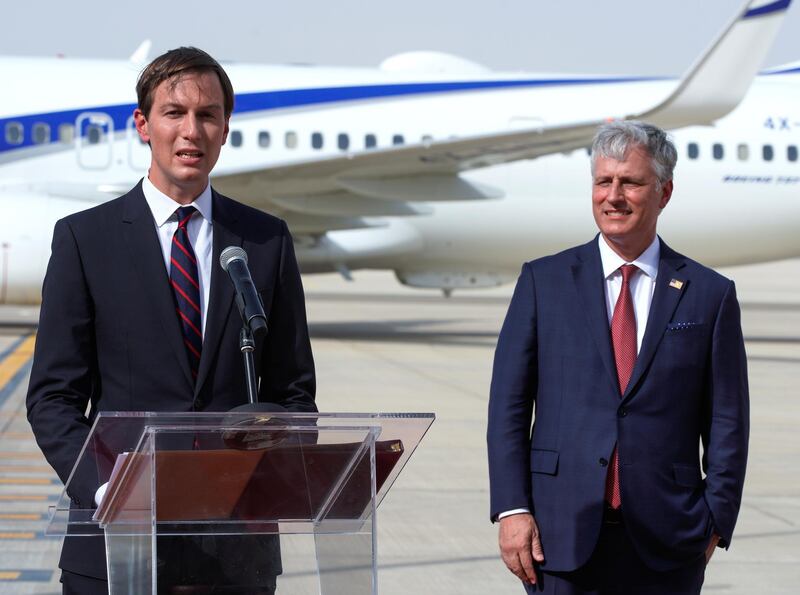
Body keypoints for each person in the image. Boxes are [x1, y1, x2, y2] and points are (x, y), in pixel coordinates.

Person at [26, 47, 316, 594]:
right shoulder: (85, 240)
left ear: (226, 128)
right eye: (174, 113)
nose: (192, 130)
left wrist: (271, 439)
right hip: (116, 540)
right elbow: (52, 399)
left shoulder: (265, 241)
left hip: (235, 549)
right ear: (143, 125)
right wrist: (104, 487)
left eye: (208, 115)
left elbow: (296, 392)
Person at [486, 120, 749, 594]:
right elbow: (507, 407)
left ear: (664, 192)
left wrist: (715, 519)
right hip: (557, 535)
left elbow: (728, 420)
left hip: (669, 540)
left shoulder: (710, 294)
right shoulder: (542, 283)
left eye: (630, 182)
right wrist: (512, 508)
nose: (613, 195)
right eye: (603, 181)